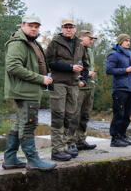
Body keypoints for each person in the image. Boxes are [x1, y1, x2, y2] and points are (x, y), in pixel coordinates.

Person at [2, 14, 57, 171]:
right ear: (23, 25)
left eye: (37, 26)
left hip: (28, 90)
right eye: (31, 25)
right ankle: (33, 160)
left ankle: (10, 159)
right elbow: (13, 67)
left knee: (20, 123)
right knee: (28, 125)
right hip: (25, 91)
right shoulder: (18, 43)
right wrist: (40, 78)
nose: (34, 28)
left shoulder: (30, 42)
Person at [45, 19, 89, 161]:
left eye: (71, 27)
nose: (68, 29)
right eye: (66, 27)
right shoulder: (55, 43)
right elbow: (49, 63)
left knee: (70, 116)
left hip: (74, 84)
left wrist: (84, 80)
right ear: (62, 28)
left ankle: (65, 146)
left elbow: (86, 65)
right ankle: (56, 150)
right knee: (58, 115)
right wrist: (70, 68)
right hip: (58, 83)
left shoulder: (79, 45)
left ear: (75, 29)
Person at [106, 34, 131, 147]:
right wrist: (125, 70)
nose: (128, 43)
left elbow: (130, 71)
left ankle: (122, 135)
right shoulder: (114, 54)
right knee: (119, 114)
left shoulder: (129, 55)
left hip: (130, 88)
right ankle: (115, 139)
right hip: (119, 88)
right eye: (126, 41)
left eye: (129, 40)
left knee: (127, 115)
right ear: (120, 42)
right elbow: (109, 70)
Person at [73, 30, 98, 150]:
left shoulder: (90, 51)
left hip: (89, 87)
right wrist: (84, 77)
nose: (92, 41)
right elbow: (72, 68)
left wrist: (92, 78)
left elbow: (90, 68)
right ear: (82, 37)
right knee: (74, 115)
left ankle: (81, 141)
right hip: (79, 88)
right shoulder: (75, 49)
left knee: (85, 116)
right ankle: (71, 143)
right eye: (90, 38)